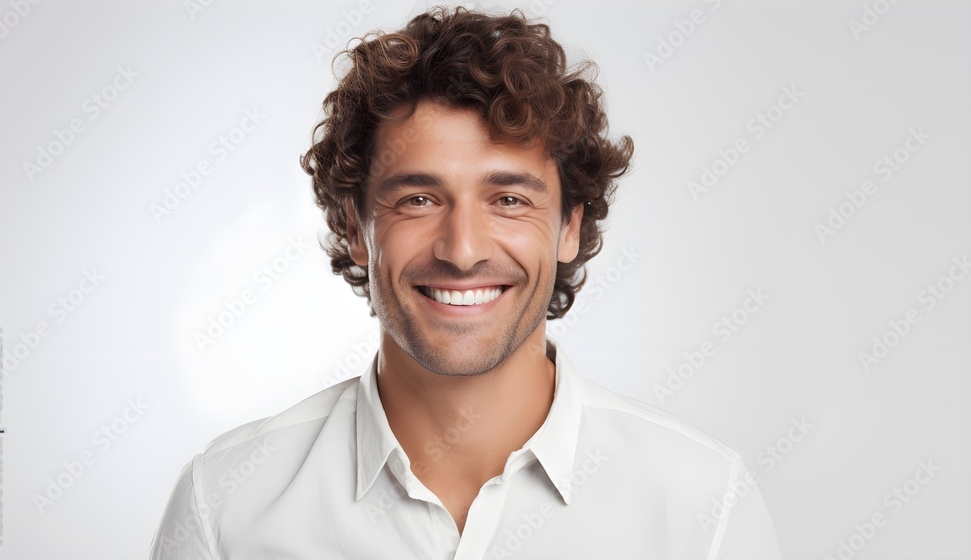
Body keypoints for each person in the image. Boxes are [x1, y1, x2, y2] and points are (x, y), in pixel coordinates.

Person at [150, 6, 781, 559]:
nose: (463, 250)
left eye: (508, 199)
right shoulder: (225, 505)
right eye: (419, 199)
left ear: (568, 228)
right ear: (354, 227)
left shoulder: (703, 507)